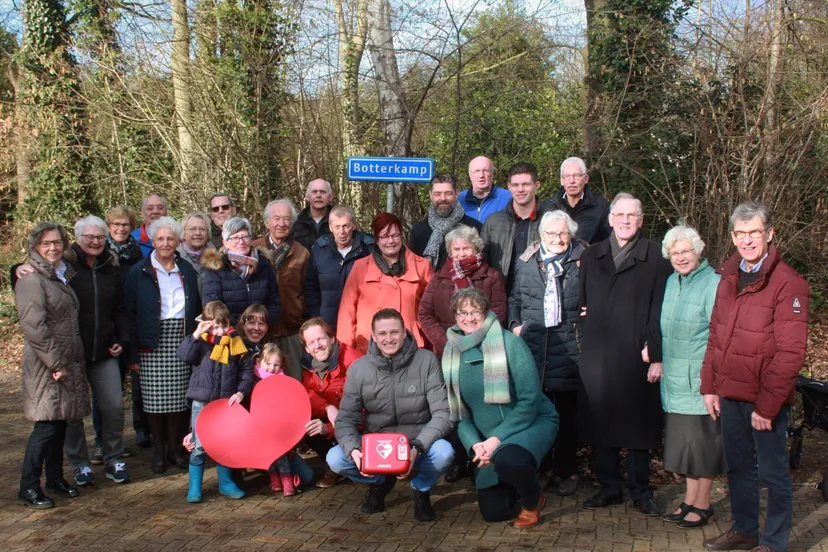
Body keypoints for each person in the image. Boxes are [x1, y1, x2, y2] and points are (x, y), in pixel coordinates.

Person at [701, 203, 810, 552]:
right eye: (740, 233)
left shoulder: (789, 283)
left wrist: (767, 406)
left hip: (765, 401)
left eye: (754, 233)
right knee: (738, 468)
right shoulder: (727, 277)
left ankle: (774, 542)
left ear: (769, 234)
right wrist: (709, 386)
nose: (747, 240)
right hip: (730, 393)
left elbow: (791, 352)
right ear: (733, 236)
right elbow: (716, 335)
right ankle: (745, 531)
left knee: (773, 474)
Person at [13, 216, 133, 485]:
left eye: (100, 237)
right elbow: (35, 287)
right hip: (70, 354)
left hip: (104, 350)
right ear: (77, 239)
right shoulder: (64, 266)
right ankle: (80, 464)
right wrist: (17, 269)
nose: (95, 242)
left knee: (113, 406)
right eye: (89, 237)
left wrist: (122, 339)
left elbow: (120, 308)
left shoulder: (111, 266)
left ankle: (114, 458)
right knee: (72, 414)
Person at [577, 192, 672, 515]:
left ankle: (641, 491)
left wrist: (656, 352)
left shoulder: (657, 257)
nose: (626, 221)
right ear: (610, 219)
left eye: (632, 215)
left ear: (641, 220)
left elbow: (660, 308)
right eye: (620, 215)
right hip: (599, 353)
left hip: (637, 354)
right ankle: (609, 487)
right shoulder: (592, 256)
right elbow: (582, 303)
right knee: (601, 421)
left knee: (638, 427)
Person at [444, 288, 558, 527]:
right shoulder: (451, 351)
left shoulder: (510, 343)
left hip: (530, 422)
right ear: (455, 316)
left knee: (508, 460)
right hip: (487, 440)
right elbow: (460, 413)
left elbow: (530, 400)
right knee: (494, 513)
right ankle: (513, 480)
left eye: (475, 311)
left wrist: (495, 440)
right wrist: (475, 446)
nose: (469, 318)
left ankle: (533, 500)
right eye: (463, 313)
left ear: (486, 312)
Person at [326, 309, 454, 521]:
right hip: (377, 446)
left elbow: (443, 413)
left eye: (394, 332)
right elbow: (346, 419)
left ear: (404, 332)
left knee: (444, 452)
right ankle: (378, 483)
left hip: (417, 443)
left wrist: (417, 448)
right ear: (374, 337)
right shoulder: (359, 369)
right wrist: (354, 450)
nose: (389, 339)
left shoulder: (427, 361)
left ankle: (421, 489)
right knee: (336, 458)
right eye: (382, 334)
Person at [508, 210, 585, 497]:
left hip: (569, 348)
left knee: (566, 416)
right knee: (537, 413)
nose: (557, 238)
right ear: (541, 235)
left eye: (563, 233)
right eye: (551, 233)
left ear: (571, 234)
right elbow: (515, 298)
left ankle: (567, 471)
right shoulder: (527, 261)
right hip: (534, 346)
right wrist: (514, 324)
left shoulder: (582, 261)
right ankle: (543, 468)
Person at [15, 223, 90, 508]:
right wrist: (55, 363)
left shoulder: (58, 274)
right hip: (47, 364)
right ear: (35, 246)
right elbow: (34, 326)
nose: (53, 247)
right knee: (45, 426)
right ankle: (28, 486)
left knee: (59, 422)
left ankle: (55, 478)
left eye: (57, 242)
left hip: (64, 361)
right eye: (46, 243)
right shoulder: (32, 279)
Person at [658, 225, 725, 528]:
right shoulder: (672, 281)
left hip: (700, 381)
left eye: (686, 251)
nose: (681, 257)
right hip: (674, 380)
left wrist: (713, 381)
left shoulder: (713, 283)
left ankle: (704, 504)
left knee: (703, 447)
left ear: (699, 251)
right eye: (675, 253)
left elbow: (719, 337)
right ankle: (689, 500)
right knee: (685, 448)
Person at [125, 217, 200, 474]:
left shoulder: (187, 270)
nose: (166, 243)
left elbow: (196, 307)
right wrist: (132, 353)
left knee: (179, 401)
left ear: (178, 241)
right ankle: (158, 451)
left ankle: (175, 450)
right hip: (151, 342)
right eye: (160, 238)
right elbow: (129, 314)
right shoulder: (138, 272)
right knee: (155, 403)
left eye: (170, 238)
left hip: (180, 339)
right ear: (153, 242)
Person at [177, 300, 253, 503]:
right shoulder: (200, 342)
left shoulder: (236, 342)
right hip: (201, 402)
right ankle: (194, 487)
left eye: (224, 326)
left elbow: (246, 370)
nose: (220, 331)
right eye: (215, 327)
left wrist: (241, 392)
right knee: (199, 446)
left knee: (224, 444)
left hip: (225, 404)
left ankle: (225, 482)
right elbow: (184, 356)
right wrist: (196, 334)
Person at [337, 213, 433, 353]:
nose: (390, 241)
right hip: (369, 346)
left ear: (401, 236)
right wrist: (345, 353)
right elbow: (347, 312)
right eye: (384, 237)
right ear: (376, 239)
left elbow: (431, 310)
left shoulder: (422, 266)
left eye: (395, 235)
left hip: (409, 346)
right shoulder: (360, 267)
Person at [418, 225, 507, 359]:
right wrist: (445, 343)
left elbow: (498, 313)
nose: (461, 254)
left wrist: (477, 341)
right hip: (447, 351)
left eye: (466, 248)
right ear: (450, 252)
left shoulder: (491, 276)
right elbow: (425, 314)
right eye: (456, 249)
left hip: (483, 349)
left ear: (476, 249)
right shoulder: (438, 278)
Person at [298, 317, 364, 489]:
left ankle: (354, 467)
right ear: (307, 348)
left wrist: (328, 428)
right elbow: (307, 393)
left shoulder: (354, 363)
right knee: (302, 421)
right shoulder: (308, 364)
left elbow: (364, 413)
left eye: (320, 338)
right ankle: (335, 466)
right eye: (311, 342)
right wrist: (327, 408)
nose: (317, 345)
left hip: (360, 426)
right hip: (334, 417)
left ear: (332, 338)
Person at [106, 205, 151, 449]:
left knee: (138, 383)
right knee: (108, 393)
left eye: (125, 224)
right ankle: (106, 443)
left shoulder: (137, 254)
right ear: (108, 226)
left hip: (132, 324)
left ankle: (140, 430)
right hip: (108, 329)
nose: (121, 228)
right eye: (116, 224)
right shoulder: (98, 251)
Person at [252, 199, 309, 380]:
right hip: (260, 330)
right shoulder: (253, 249)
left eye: (286, 219)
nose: (282, 224)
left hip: (291, 329)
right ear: (267, 222)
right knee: (260, 382)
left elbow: (309, 291)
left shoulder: (302, 253)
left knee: (293, 380)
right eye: (276, 219)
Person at [253, 343, 314, 496]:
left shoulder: (284, 381)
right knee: (269, 455)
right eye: (268, 363)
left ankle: (286, 479)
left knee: (280, 453)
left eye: (276, 365)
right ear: (259, 362)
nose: (272, 368)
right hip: (261, 426)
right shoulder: (254, 380)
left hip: (279, 426)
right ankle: (275, 478)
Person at [304, 205, 374, 331]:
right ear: (330, 227)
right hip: (327, 324)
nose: (342, 231)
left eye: (346, 226)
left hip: (361, 323)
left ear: (354, 225)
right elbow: (310, 286)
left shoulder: (368, 249)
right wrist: (317, 316)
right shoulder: (319, 250)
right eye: (337, 227)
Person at [201, 217, 281, 325]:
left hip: (261, 329)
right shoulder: (217, 269)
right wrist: (241, 327)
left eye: (245, 237)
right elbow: (213, 307)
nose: (241, 242)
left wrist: (260, 324)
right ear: (225, 242)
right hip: (229, 330)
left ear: (251, 239)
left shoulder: (264, 264)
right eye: (235, 238)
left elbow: (275, 303)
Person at [481, 162, 545, 294]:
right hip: (502, 295)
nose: (520, 189)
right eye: (515, 185)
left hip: (540, 297)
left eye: (526, 184)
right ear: (509, 187)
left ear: (537, 185)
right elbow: (481, 262)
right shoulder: (493, 222)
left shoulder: (550, 221)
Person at [408, 173, 482, 270]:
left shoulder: (474, 228)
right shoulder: (418, 231)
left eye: (448, 193)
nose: (443, 198)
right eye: (437, 194)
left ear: (456, 194)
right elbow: (412, 269)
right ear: (430, 195)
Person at [540, 157, 611, 244]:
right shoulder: (547, 206)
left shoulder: (602, 207)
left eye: (576, 176)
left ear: (586, 179)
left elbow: (609, 242)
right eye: (567, 176)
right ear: (561, 181)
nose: (571, 181)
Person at [458, 156, 512, 223]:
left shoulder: (508, 198)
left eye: (486, 171)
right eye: (477, 171)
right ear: (470, 175)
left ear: (492, 173)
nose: (481, 175)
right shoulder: (458, 200)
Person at [177, 211, 215, 293]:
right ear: (184, 233)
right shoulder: (174, 258)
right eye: (192, 229)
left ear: (207, 233)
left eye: (202, 229)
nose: (197, 233)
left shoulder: (217, 258)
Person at [293, 179, 333, 252]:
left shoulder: (339, 222)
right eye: (314, 192)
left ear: (330, 197)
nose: (318, 195)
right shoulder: (296, 223)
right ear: (307, 196)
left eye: (322, 192)